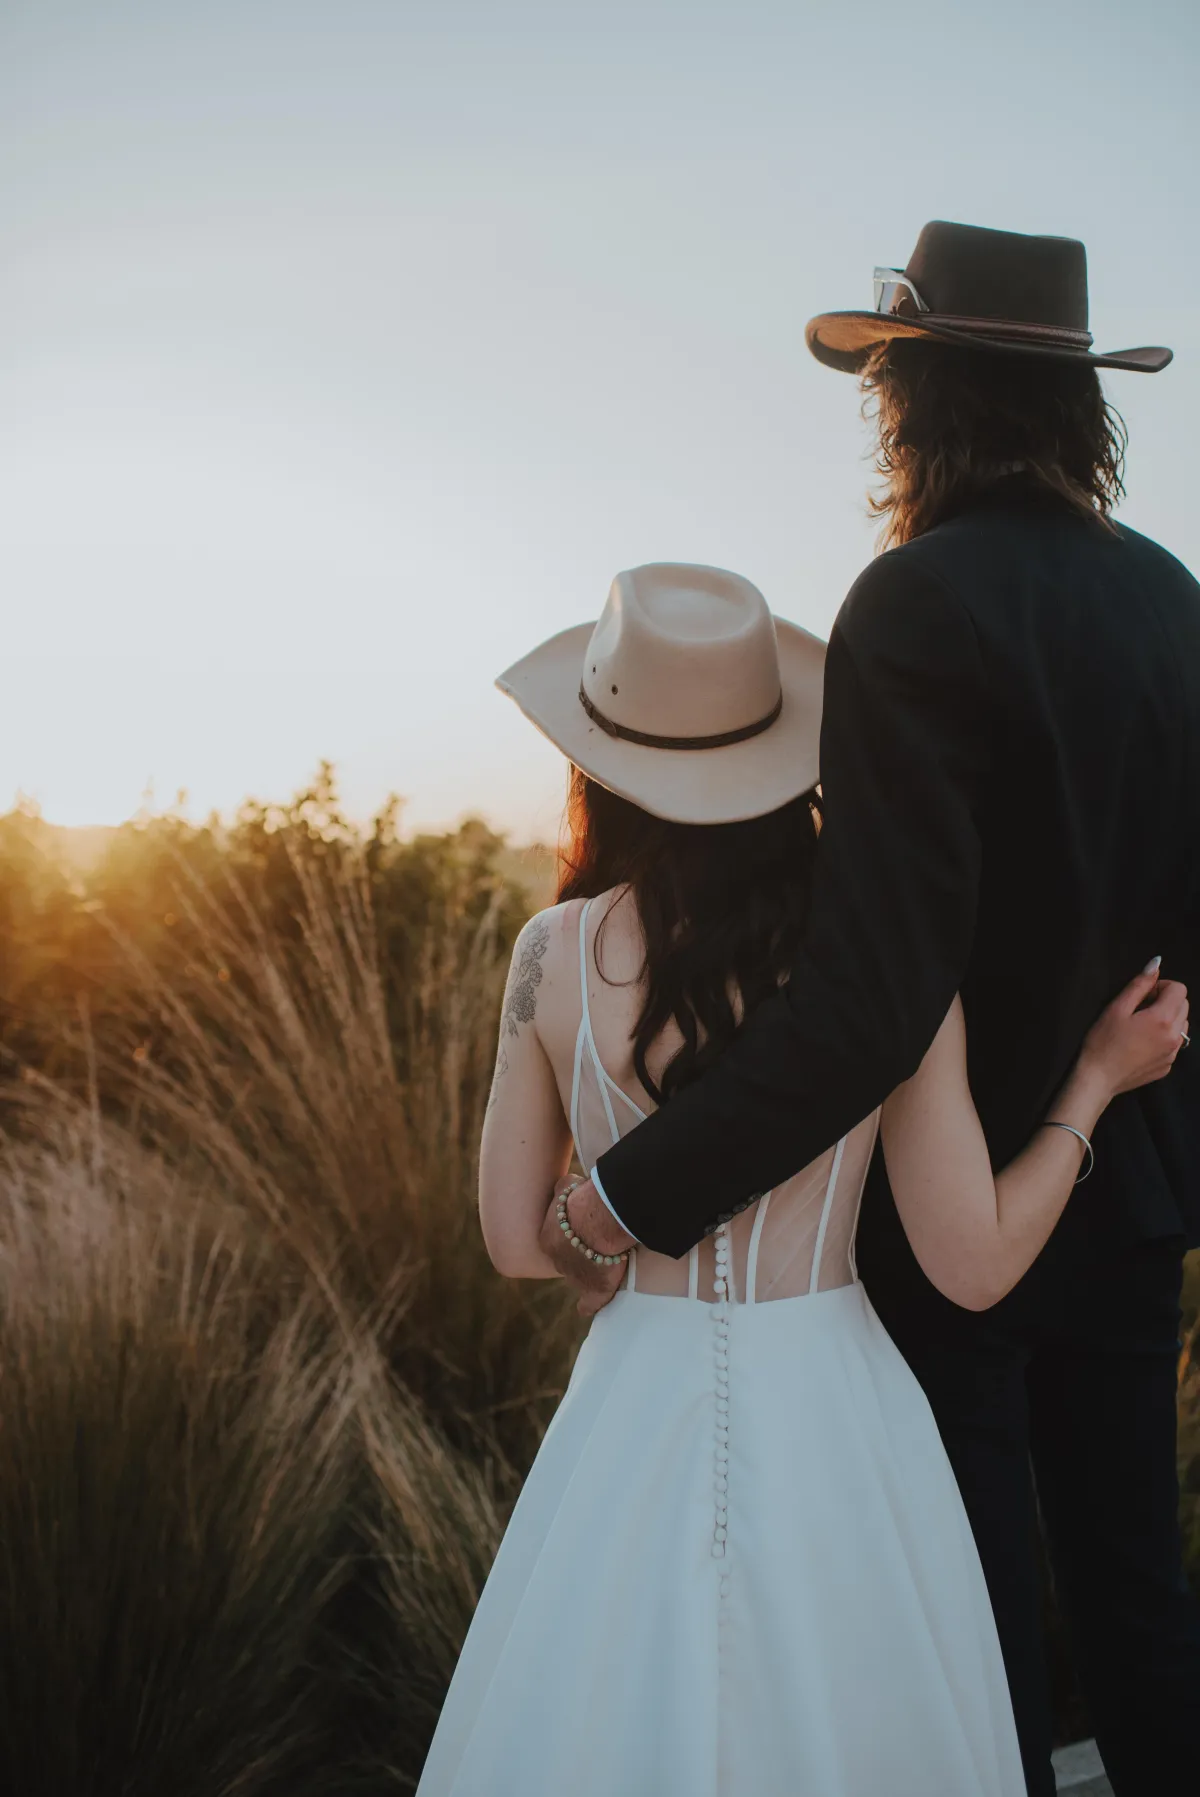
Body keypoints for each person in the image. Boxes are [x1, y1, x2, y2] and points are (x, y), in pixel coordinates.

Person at [542, 223, 1200, 1796]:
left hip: (946, 1212)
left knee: (972, 1633)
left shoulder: (912, 603)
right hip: (1135, 1179)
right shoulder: (1176, 598)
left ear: (920, 401)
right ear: (1077, 405)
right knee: (1140, 1608)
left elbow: (872, 1005)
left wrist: (629, 1195)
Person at [416, 559, 1188, 1796]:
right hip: (841, 1406)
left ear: (599, 763)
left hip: (632, 1408)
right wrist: (1095, 1080)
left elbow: (517, 1240)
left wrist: (602, 1230)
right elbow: (975, 1264)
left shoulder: (549, 954)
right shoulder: (882, 971)